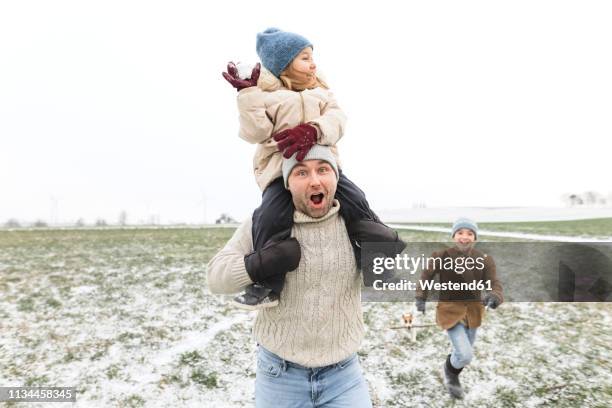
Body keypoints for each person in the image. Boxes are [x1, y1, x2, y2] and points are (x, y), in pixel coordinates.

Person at [207, 146, 402, 407]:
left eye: (323, 169)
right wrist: (259, 263)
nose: (315, 180)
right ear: (287, 183)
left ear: (336, 177)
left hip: (343, 375)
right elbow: (215, 277)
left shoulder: (356, 225)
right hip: (280, 376)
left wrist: (388, 251)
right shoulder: (264, 225)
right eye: (301, 172)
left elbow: (393, 281)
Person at [222, 27, 402, 309]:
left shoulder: (321, 91)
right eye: (305, 58)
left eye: (312, 57)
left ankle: (378, 263)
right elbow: (256, 132)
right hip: (282, 171)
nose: (313, 63)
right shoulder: (264, 95)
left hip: (325, 168)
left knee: (357, 202)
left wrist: (314, 130)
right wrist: (247, 96)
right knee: (270, 216)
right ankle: (266, 284)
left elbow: (338, 119)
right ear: (284, 64)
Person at [414, 218, 504, 399]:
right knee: (465, 355)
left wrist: (495, 296)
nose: (465, 237)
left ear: (475, 237)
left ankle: (453, 367)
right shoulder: (440, 256)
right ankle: (450, 374)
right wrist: (420, 297)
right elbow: (426, 277)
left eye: (470, 233)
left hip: (473, 313)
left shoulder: (485, 259)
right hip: (450, 311)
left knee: (463, 354)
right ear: (454, 236)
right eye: (460, 233)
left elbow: (494, 283)